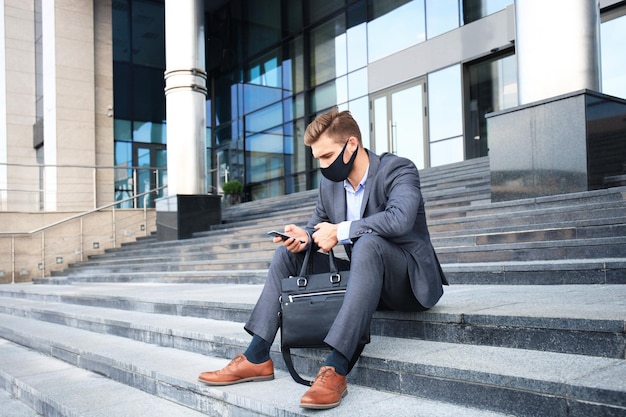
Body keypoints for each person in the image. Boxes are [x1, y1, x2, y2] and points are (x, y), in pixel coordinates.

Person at [198, 107, 447, 409]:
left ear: (351, 144)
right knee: (286, 256)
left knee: (367, 243)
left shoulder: (398, 170)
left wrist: (340, 231)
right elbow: (317, 225)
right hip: (366, 281)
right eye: (318, 159)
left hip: (407, 282)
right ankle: (256, 355)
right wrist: (303, 238)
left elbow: (400, 219)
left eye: (327, 156)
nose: (323, 166)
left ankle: (336, 367)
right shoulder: (330, 185)